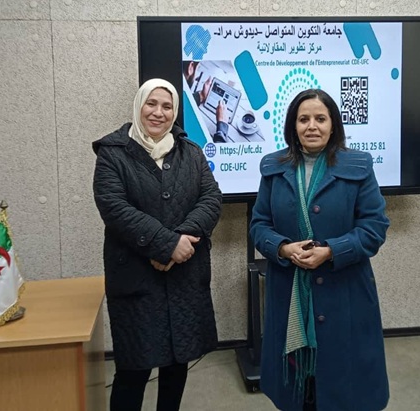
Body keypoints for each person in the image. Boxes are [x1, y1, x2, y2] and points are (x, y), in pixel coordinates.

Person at [249, 88, 390, 411]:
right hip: (289, 292)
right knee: (299, 392)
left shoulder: (358, 166)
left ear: (333, 124)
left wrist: (331, 251)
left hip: (345, 294)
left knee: (343, 388)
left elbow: (374, 227)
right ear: (293, 125)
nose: (312, 126)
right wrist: (283, 248)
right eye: (303, 119)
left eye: (320, 119)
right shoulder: (273, 167)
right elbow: (259, 225)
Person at [92, 78, 222, 411]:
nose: (158, 112)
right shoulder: (112, 153)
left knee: (177, 364)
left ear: (174, 111)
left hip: (184, 276)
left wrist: (181, 241)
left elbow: (211, 198)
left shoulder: (191, 152)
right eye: (151, 103)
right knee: (133, 371)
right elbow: (114, 207)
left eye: (167, 106)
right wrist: (166, 245)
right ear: (139, 105)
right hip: (137, 278)